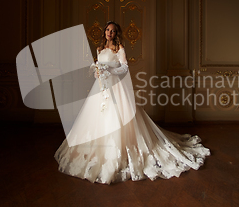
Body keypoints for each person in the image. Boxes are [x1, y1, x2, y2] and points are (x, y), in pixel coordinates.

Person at [55, 21, 210, 184]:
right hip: (101, 88)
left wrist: (110, 70)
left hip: (116, 88)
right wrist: (98, 72)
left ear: (116, 34)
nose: (110, 33)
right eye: (107, 30)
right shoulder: (100, 49)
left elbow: (125, 68)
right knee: (96, 118)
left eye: (113, 31)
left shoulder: (119, 48)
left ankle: (122, 150)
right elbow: (99, 66)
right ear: (104, 32)